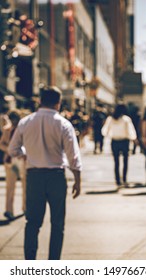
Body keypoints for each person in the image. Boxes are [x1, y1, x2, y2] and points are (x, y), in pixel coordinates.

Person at [8, 86, 82, 260]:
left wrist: (27, 153)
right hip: (56, 177)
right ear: (59, 102)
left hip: (34, 176)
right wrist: (77, 180)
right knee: (57, 224)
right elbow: (74, 156)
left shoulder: (25, 122)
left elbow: (13, 149)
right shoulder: (64, 124)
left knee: (32, 223)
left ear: (40, 100)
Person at [102, 103, 137, 187]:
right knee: (125, 161)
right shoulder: (126, 119)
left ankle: (117, 180)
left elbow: (104, 130)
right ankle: (124, 179)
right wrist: (134, 139)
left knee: (116, 162)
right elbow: (131, 131)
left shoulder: (110, 119)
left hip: (114, 141)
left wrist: (108, 135)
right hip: (124, 141)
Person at [0, 110, 26, 220]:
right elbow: (1, 144)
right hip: (11, 160)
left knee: (25, 185)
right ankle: (9, 210)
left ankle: (25, 208)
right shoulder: (7, 130)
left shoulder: (24, 129)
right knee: (10, 186)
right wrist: (9, 150)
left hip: (22, 160)